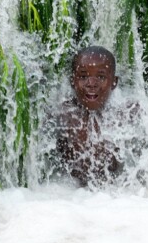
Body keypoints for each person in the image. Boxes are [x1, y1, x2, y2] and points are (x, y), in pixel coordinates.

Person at [51, 45, 133, 187]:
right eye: (83, 76)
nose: (91, 84)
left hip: (116, 198)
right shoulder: (63, 116)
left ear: (114, 82)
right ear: (73, 81)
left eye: (100, 77)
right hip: (70, 197)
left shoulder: (123, 113)